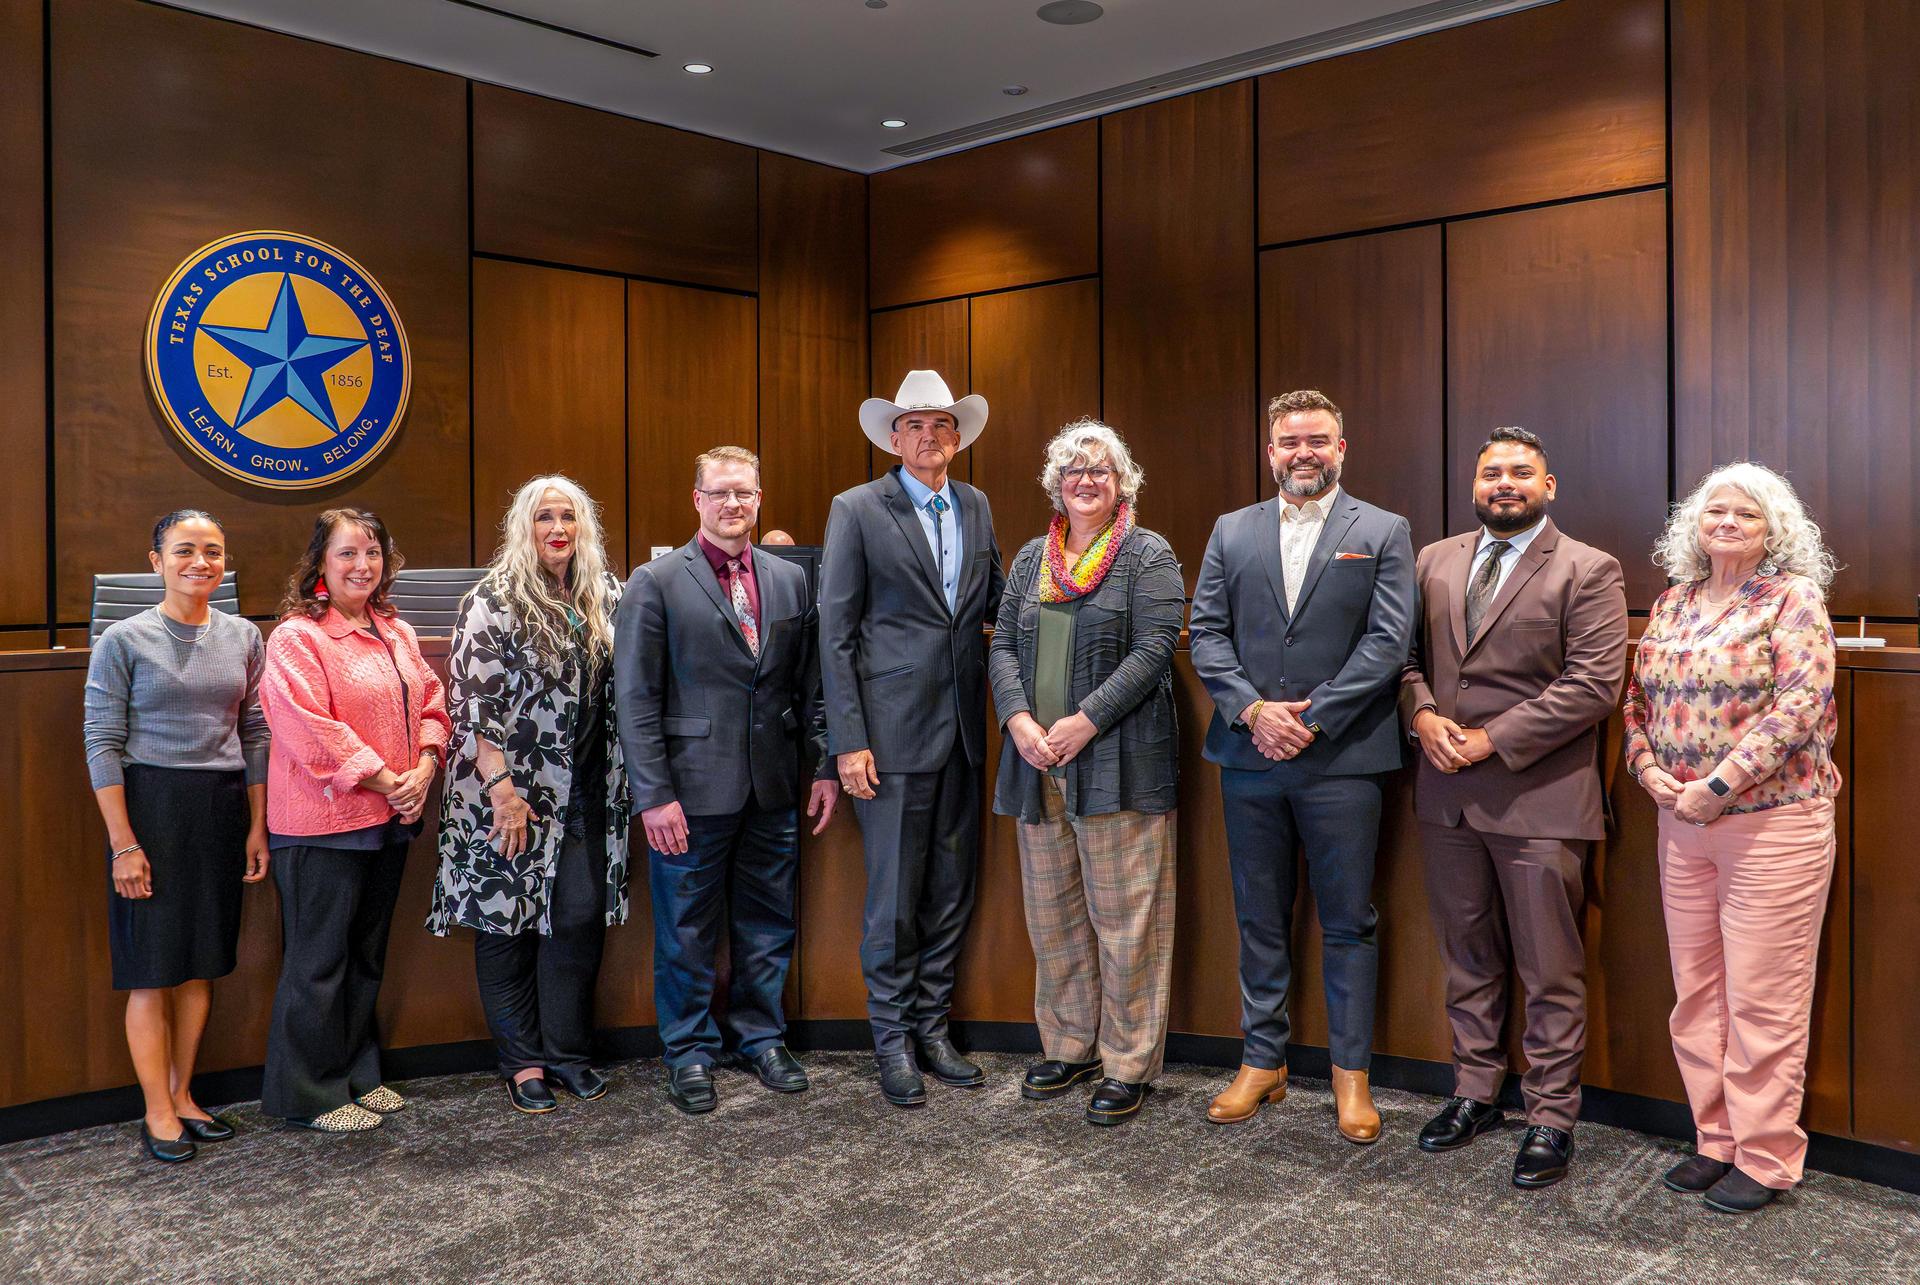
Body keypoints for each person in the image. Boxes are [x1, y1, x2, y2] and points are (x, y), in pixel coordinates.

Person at [1399, 427, 1628, 1188]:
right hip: (1445, 797)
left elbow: (1594, 684)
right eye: (1492, 470)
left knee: (1549, 967)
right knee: (1468, 956)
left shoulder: (1588, 568)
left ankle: (1551, 1115)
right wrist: (1424, 715)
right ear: (1473, 482)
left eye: (1521, 471)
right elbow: (1403, 660)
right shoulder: (1433, 559)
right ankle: (1475, 1092)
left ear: (1549, 484)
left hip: (1539, 801)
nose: (1505, 482)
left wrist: (1490, 739)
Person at [1188, 389, 1414, 1143]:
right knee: (1259, 917)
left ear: (1341, 447)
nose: (1303, 452)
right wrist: (1255, 712)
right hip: (1248, 756)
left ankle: (1352, 1075)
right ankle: (1264, 1060)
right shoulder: (1231, 530)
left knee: (1348, 920)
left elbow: (1387, 644)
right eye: (1289, 441)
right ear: (1271, 450)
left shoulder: (1381, 530)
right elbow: (1207, 634)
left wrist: (1309, 718)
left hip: (1344, 758)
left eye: (1317, 439)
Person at [1625, 461, 1840, 1214]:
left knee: (1763, 999)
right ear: (1693, 523)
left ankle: (1767, 1153)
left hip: (1770, 824)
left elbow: (1801, 705)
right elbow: (1635, 701)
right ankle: (1715, 1138)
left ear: (1773, 529)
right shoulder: (1673, 601)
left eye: (1746, 515)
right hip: (1680, 822)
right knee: (1698, 995)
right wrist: (1650, 771)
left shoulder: (1793, 598)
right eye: (1714, 511)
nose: (1727, 523)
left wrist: (1719, 785)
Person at [615, 446, 837, 1114]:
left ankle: (760, 1037)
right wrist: (653, 794)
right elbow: (635, 698)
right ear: (697, 500)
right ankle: (687, 1051)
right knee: (686, 930)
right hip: (688, 794)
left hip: (772, 788)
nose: (733, 505)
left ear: (759, 498)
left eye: (744, 493)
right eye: (720, 494)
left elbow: (811, 686)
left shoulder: (790, 580)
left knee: (767, 922)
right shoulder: (655, 582)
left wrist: (824, 765)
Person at [988, 419, 1183, 1126]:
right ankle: (1070, 1045)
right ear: (1057, 485)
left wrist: (1085, 720)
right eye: (1074, 471)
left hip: (1118, 764)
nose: (1087, 481)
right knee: (1055, 918)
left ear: (1122, 481)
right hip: (1037, 761)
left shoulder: (1146, 554)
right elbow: (1003, 644)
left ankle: (1129, 1061)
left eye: (1100, 470)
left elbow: (1157, 645)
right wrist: (1019, 721)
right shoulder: (1030, 559)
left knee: (1127, 922)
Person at [819, 369, 1005, 1107]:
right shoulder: (858, 508)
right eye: (915, 426)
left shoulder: (978, 505)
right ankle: (891, 1041)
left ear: (958, 438)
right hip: (888, 740)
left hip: (964, 730)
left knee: (952, 892)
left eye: (941, 426)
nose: (929, 437)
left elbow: (994, 602)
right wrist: (849, 739)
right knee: (893, 900)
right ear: (893, 438)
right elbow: (835, 636)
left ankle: (933, 1029)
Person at [429, 476, 629, 1113]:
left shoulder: (604, 594)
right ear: (524, 526)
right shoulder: (492, 600)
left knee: (575, 921)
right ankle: (522, 1064)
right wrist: (502, 792)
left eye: (568, 516)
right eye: (544, 517)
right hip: (509, 793)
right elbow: (472, 708)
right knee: (505, 924)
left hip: (587, 791)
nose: (557, 529)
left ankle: (568, 1054)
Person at [83, 510, 270, 1163]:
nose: (201, 562)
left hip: (220, 808)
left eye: (213, 551)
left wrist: (256, 825)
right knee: (151, 968)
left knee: (200, 963)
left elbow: (254, 735)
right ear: (156, 560)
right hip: (150, 808)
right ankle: (156, 1110)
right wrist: (123, 842)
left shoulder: (245, 635)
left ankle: (185, 1093)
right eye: (185, 550)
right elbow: (102, 744)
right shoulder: (123, 639)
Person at [259, 508, 451, 1133]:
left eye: (372, 552)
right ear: (320, 563)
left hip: (389, 817)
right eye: (347, 554)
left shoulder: (394, 629)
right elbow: (304, 726)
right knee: (319, 963)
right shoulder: (296, 637)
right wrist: (383, 777)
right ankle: (307, 1094)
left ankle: (359, 1075)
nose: (362, 565)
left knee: (366, 957)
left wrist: (424, 765)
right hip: (323, 824)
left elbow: (431, 700)